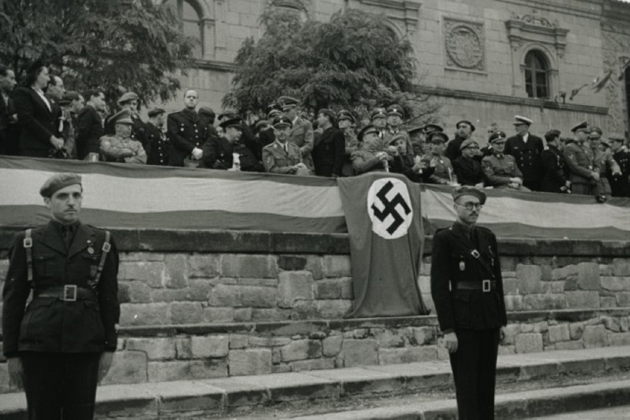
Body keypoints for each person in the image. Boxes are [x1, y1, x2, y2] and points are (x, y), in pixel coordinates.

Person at [2, 173, 120, 420]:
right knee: (43, 413)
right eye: (63, 196)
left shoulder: (102, 241)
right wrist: (11, 352)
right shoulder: (27, 241)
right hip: (39, 342)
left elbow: (109, 298)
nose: (71, 202)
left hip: (85, 341)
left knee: (80, 414)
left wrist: (109, 347)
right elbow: (13, 299)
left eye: (77, 195)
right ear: (47, 202)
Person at [431, 186, 507, 420]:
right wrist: (448, 329)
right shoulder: (445, 238)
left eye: (478, 206)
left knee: (487, 382)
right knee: (467, 384)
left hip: (488, 317)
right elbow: (439, 287)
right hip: (463, 320)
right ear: (456, 207)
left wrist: (501, 320)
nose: (475, 210)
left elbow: (497, 280)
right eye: (469, 205)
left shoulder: (487, 236)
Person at [12, 60, 64, 158]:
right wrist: (51, 138)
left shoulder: (46, 97)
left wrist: (60, 137)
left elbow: (56, 119)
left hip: (50, 149)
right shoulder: (23, 92)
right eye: (46, 74)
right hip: (33, 148)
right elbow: (28, 119)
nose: (48, 79)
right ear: (36, 74)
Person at [167, 89, 209, 167]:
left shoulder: (203, 120)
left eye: (194, 97)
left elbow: (207, 139)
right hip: (179, 161)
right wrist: (193, 149)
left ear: (197, 101)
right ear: (184, 100)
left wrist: (202, 151)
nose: (191, 99)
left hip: (199, 161)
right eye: (188, 97)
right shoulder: (174, 117)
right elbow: (174, 136)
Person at [504, 116, 544, 191]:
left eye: (518, 126)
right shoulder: (511, 141)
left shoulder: (536, 140)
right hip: (518, 177)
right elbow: (507, 158)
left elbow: (540, 158)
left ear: (525, 127)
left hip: (534, 177)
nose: (515, 128)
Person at [279, 96, 315, 171]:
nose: (285, 114)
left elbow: (309, 145)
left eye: (288, 111)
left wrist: (294, 153)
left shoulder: (305, 124)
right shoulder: (282, 126)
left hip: (303, 162)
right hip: (286, 164)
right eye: (283, 111)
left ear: (295, 109)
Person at [564, 121, 599, 196]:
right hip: (578, 182)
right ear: (577, 133)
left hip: (590, 182)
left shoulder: (587, 148)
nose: (587, 135)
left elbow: (594, 163)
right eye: (585, 133)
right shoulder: (570, 147)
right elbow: (575, 167)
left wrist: (596, 172)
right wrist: (591, 173)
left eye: (588, 133)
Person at [588, 127, 621, 203]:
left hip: (602, 184)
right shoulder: (583, 152)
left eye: (597, 139)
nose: (594, 142)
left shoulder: (605, 154)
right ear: (588, 140)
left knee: (605, 204)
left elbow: (613, 163)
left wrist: (616, 170)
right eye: (592, 139)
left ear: (600, 140)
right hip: (588, 182)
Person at [312, 109, 345, 177]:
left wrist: (335, 172)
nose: (318, 119)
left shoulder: (336, 134)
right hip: (320, 172)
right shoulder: (321, 135)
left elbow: (340, 155)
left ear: (327, 117)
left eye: (319, 117)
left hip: (330, 173)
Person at [76, 90, 106, 160]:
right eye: (102, 99)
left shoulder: (92, 112)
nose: (104, 103)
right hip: (88, 152)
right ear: (92, 97)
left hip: (92, 151)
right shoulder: (89, 111)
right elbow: (82, 134)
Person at [540, 129, 571, 194]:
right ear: (556, 139)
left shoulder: (555, 151)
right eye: (559, 139)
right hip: (551, 185)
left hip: (558, 184)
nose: (560, 141)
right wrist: (564, 181)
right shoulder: (547, 152)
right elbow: (552, 170)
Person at [57, 91, 84, 159]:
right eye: (82, 103)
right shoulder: (63, 117)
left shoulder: (74, 118)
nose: (83, 106)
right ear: (74, 102)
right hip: (64, 155)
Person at [0, 64, 19, 155]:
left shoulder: (11, 100)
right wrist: (11, 119)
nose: (15, 82)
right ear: (1, 78)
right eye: (11, 78)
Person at [338, 110, 358, 177]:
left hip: (351, 166)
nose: (341, 122)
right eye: (339, 120)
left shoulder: (355, 136)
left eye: (344, 120)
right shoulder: (336, 135)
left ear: (350, 122)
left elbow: (357, 149)